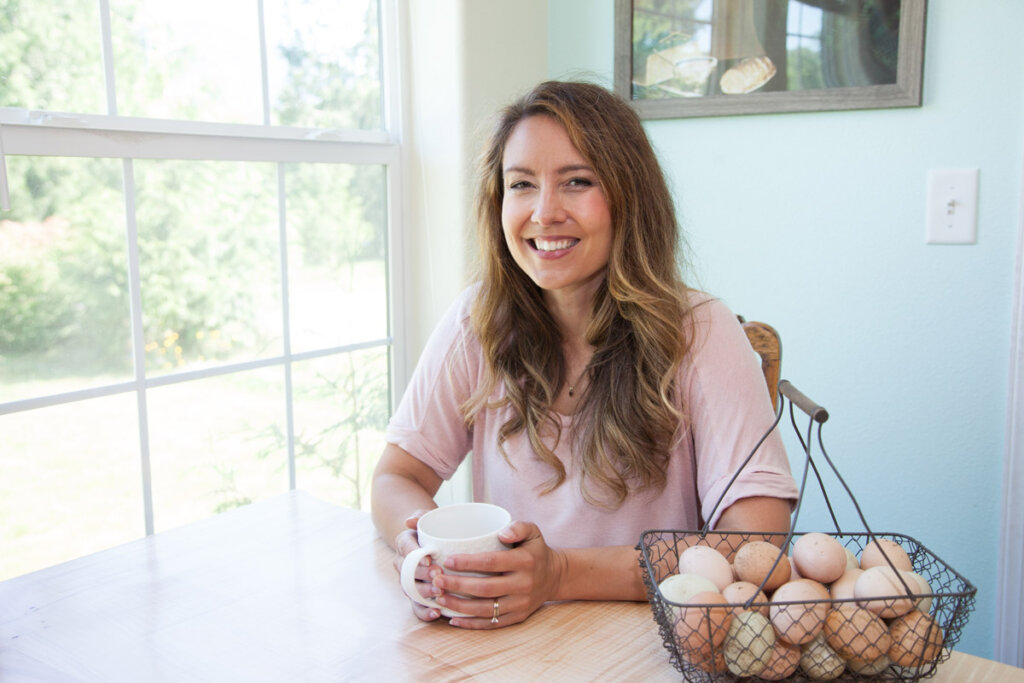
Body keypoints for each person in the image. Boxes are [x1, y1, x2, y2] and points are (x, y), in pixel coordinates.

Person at [371, 80, 798, 629]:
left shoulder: (699, 328)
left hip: (645, 646)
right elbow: (395, 476)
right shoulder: (476, 320)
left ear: (629, 195)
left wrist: (561, 573)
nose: (544, 213)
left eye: (576, 182)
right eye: (521, 184)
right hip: (504, 643)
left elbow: (755, 541)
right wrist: (422, 546)